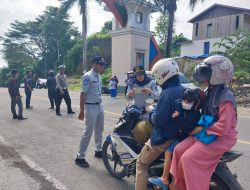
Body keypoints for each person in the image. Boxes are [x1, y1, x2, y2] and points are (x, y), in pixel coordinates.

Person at [170, 55, 237, 190]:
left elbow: (223, 126)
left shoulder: (226, 98)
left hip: (221, 137)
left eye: (207, 73)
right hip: (206, 132)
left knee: (188, 159)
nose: (204, 78)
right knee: (177, 150)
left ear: (219, 73)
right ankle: (180, 185)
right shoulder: (209, 91)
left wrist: (200, 130)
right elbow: (197, 107)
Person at [135, 58, 185, 190]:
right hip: (179, 136)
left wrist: (152, 113)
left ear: (163, 75)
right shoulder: (182, 89)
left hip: (164, 138)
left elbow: (158, 120)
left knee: (141, 163)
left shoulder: (167, 93)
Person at [148, 88, 205, 189]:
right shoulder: (188, 109)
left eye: (188, 101)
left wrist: (177, 118)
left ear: (197, 103)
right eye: (184, 100)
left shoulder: (194, 114)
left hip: (184, 138)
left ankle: (164, 178)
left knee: (168, 151)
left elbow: (186, 129)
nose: (185, 102)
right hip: (183, 136)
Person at [75, 56, 108, 168]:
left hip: (99, 105)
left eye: (103, 65)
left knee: (99, 129)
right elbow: (83, 94)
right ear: (94, 64)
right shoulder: (87, 77)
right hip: (90, 107)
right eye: (101, 65)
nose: (103, 67)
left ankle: (98, 150)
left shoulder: (98, 75)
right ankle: (80, 157)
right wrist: (81, 111)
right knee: (88, 132)